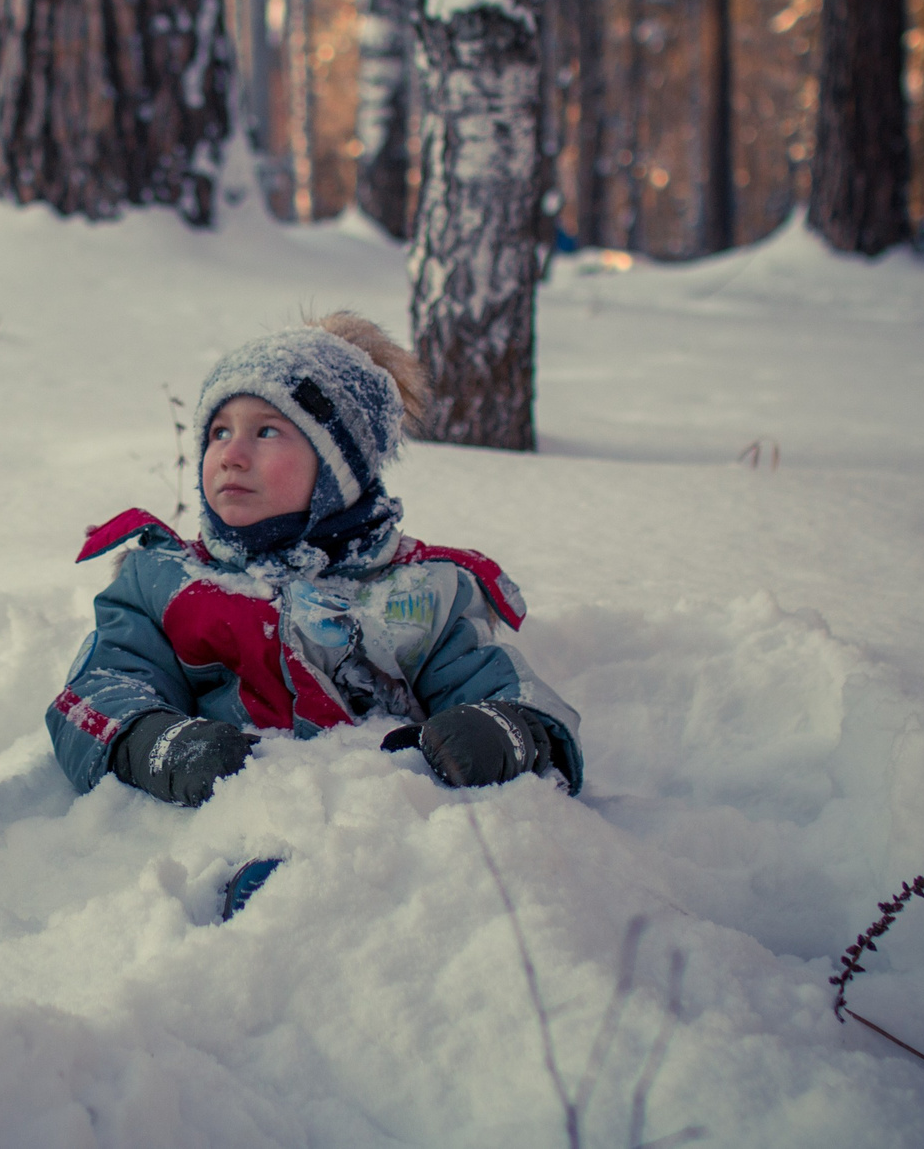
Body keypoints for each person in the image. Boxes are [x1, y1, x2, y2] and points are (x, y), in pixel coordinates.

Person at [47, 314, 584, 824]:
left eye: (266, 432)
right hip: (230, 824)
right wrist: (157, 743)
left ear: (338, 471)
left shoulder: (419, 593)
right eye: (218, 433)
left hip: (386, 826)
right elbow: (96, 692)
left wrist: (503, 731)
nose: (232, 454)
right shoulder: (167, 584)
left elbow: (505, 689)